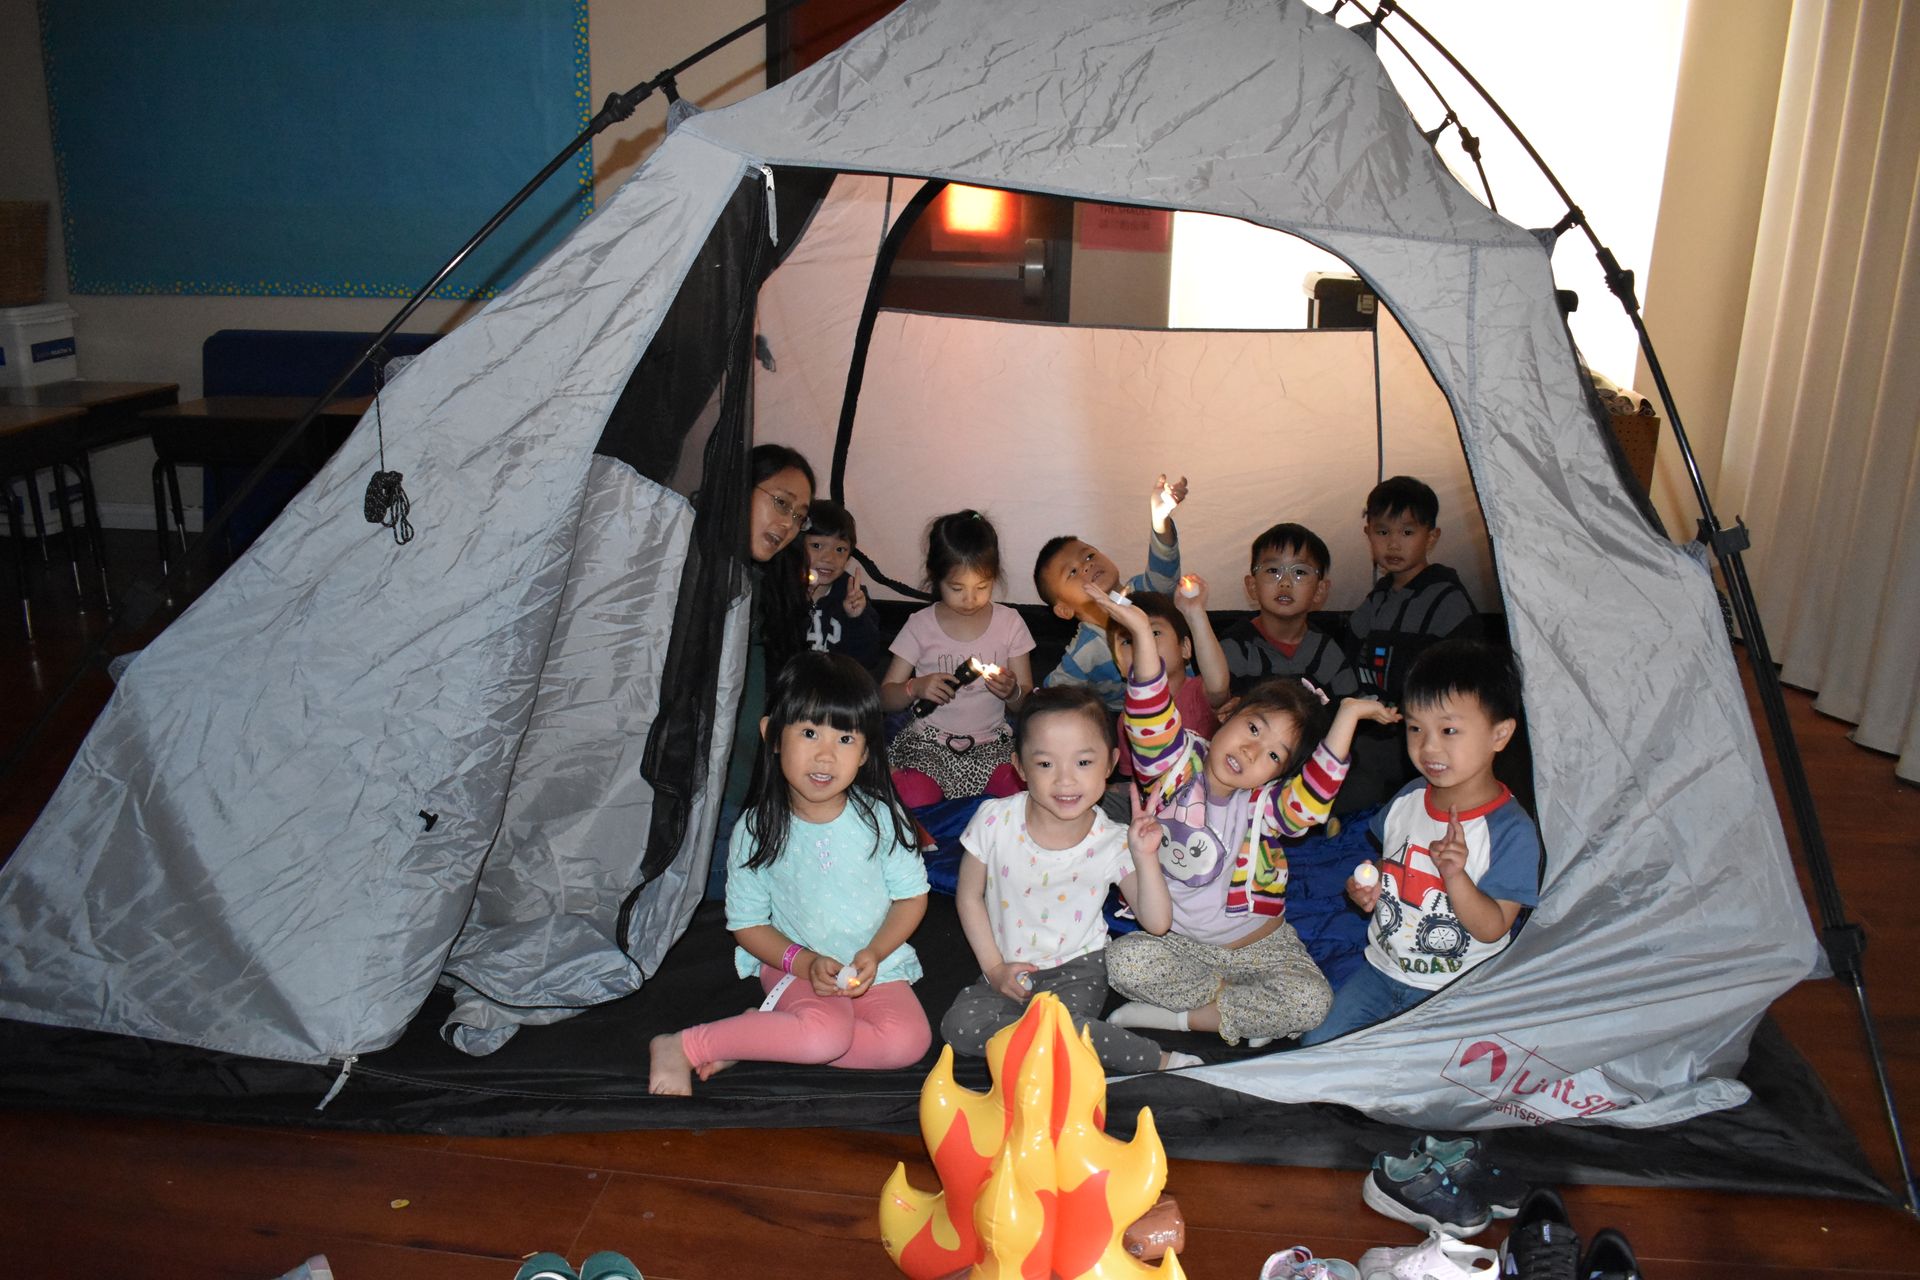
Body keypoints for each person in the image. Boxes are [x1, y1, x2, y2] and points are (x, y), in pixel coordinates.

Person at [1097, 592, 1401, 1046]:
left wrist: (1349, 715)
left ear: (1278, 774)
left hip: (1259, 947)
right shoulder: (1174, 764)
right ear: (1228, 714)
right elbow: (1149, 714)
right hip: (1181, 945)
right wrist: (1142, 634)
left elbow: (1312, 801)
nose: (1252, 750)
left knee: (1312, 1001)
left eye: (1273, 754)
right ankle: (1245, 1012)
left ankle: (1184, 1018)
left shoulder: (1265, 806)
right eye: (1253, 728)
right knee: (1123, 961)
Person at [650, 653, 932, 1095]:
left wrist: (876, 953)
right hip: (793, 965)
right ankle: (685, 1044)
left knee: (907, 1044)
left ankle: (766, 1035)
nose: (825, 754)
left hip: (870, 965)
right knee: (824, 1035)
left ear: (864, 753)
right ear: (772, 736)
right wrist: (804, 963)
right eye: (808, 732)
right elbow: (747, 924)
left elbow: (911, 897)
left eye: (844, 738)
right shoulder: (757, 828)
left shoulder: (882, 817)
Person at [941, 687, 1202, 1074]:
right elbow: (968, 896)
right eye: (1045, 764)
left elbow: (1157, 922)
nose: (1065, 780)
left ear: (1111, 763)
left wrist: (1145, 858)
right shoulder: (994, 820)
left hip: (1077, 970)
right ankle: (1055, 1043)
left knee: (1059, 1028)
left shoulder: (1112, 840)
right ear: (1020, 766)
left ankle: (1155, 1059)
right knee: (958, 1028)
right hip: (1006, 967)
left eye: (1083, 762)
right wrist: (994, 968)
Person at [1299, 639, 1539, 1045]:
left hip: (1458, 990)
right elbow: (1388, 862)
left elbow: (1494, 927)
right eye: (1415, 728)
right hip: (1381, 971)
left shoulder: (1510, 830)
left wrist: (1455, 876)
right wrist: (1367, 883)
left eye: (1449, 730)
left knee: (1425, 1080)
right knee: (1316, 1047)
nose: (1428, 747)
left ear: (1499, 735)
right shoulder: (1409, 797)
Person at [710, 443, 819, 898]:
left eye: (799, 516)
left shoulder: (772, 584)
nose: (788, 526)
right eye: (780, 503)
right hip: (696, 799)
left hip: (745, 791)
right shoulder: (690, 565)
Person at [880, 510, 1035, 806]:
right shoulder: (920, 625)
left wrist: (1012, 692)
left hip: (991, 745)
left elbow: (1025, 703)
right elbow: (884, 697)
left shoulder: (1010, 623)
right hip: (929, 744)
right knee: (910, 797)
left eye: (982, 587)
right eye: (957, 588)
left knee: (1021, 794)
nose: (970, 599)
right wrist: (915, 688)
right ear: (936, 578)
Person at [1034, 473, 1188, 709]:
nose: (1087, 565)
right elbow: (1050, 695)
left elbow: (1164, 565)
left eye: (1089, 555)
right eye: (1072, 572)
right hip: (1137, 725)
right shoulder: (1084, 653)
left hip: (1188, 700)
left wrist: (1160, 520)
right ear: (1064, 609)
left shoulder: (1144, 593)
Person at [1344, 476, 1480, 705]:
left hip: (1426, 724)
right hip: (1374, 724)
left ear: (1431, 537)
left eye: (1407, 533)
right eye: (1383, 532)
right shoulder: (1377, 599)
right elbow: (1347, 657)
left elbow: (1466, 678)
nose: (1393, 544)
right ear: (1368, 534)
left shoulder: (1447, 600)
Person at [1219, 522, 1359, 699]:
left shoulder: (1327, 652)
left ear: (1319, 590)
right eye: (1273, 570)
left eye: (1299, 572)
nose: (1285, 582)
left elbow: (1352, 709)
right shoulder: (1234, 647)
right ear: (1252, 586)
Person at [1106, 584, 1225, 776]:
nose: (1142, 644)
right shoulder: (1126, 720)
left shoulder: (1198, 691)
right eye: (1128, 640)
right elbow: (1133, 780)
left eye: (1153, 633)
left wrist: (1195, 613)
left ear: (1185, 648)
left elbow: (1219, 687)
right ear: (1119, 665)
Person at [803, 499, 885, 676]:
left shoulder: (852, 594)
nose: (829, 558)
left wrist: (856, 618)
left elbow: (868, 660)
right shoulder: (782, 588)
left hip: (837, 691)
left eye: (840, 549)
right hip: (792, 689)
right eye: (817, 546)